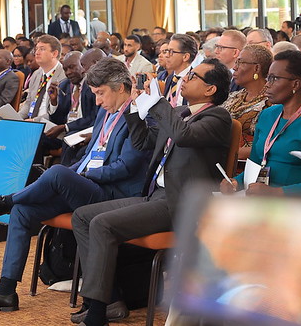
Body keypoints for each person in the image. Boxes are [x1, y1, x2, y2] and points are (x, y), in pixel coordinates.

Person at [0, 58, 151, 314]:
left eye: (100, 93)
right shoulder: (106, 112)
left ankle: (5, 201)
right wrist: (78, 173)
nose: (97, 101)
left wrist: (82, 174)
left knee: (58, 172)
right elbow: (89, 156)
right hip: (90, 185)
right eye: (94, 94)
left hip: (115, 194)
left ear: (120, 87)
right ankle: (5, 291)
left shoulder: (139, 115)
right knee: (23, 211)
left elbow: (126, 167)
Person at [70, 59, 232, 326]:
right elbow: (143, 141)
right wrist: (135, 108)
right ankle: (108, 300)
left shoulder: (218, 117)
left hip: (180, 204)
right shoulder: (179, 112)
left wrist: (158, 104)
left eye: (193, 76)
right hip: (155, 196)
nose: (185, 78)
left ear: (210, 89)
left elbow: (183, 136)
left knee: (102, 224)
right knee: (82, 216)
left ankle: (98, 310)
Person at [220, 50, 301, 198]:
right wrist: (236, 183)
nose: (267, 85)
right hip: (261, 199)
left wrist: (277, 192)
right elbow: (256, 164)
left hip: (299, 203)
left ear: (295, 84)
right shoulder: (267, 115)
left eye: (274, 78)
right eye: (268, 78)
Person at [220, 44, 272, 159]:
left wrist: (225, 153)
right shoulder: (233, 96)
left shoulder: (272, 102)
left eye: (240, 62)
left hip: (249, 165)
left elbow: (267, 146)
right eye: (236, 62)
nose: (235, 67)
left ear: (256, 68)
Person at [18, 35, 67, 123]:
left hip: (50, 124)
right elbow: (29, 102)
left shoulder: (64, 75)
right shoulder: (36, 74)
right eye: (36, 49)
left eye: (42, 49)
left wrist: (35, 120)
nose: (37, 52)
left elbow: (59, 111)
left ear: (54, 54)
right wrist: (17, 118)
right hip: (31, 122)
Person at [161, 33, 197, 107]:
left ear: (185, 57)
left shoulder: (195, 81)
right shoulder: (169, 78)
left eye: (171, 52)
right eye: (167, 51)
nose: (166, 55)